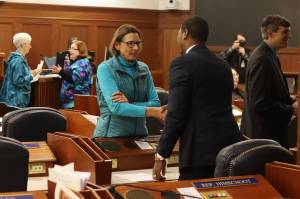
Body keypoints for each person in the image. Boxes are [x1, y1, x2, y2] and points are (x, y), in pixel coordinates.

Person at [152, 16, 243, 181]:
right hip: (229, 147)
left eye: (180, 32)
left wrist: (161, 155)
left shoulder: (181, 63)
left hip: (199, 152)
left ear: (185, 33)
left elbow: (176, 114)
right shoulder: (222, 65)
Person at [93, 24, 162, 138]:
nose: (135, 48)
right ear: (117, 45)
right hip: (110, 137)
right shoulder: (105, 68)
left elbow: (156, 103)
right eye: (130, 43)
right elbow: (116, 107)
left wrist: (129, 104)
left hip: (140, 136)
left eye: (138, 43)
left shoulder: (144, 68)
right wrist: (153, 111)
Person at [241, 15, 297, 148]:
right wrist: (291, 110)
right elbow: (260, 103)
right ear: (271, 34)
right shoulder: (262, 59)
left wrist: (291, 100)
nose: (289, 36)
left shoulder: (269, 55)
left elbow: (271, 93)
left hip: (268, 136)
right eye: (285, 32)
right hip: (264, 137)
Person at [0, 32, 41, 108]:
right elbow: (18, 81)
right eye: (29, 44)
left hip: (16, 99)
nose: (30, 46)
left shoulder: (19, 59)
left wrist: (31, 72)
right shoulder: (18, 61)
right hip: (16, 101)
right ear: (23, 44)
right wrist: (32, 75)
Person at [52, 40, 92, 109]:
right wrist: (61, 72)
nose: (70, 50)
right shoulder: (79, 62)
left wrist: (61, 72)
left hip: (75, 103)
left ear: (80, 51)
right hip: (71, 102)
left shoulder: (82, 63)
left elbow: (74, 79)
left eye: (73, 48)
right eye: (70, 48)